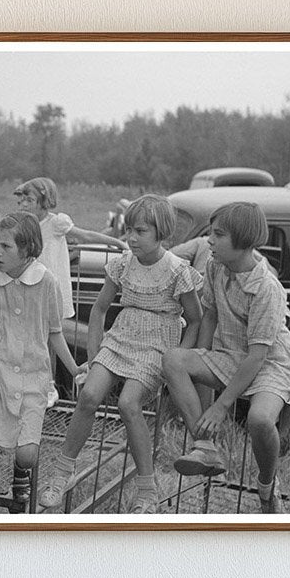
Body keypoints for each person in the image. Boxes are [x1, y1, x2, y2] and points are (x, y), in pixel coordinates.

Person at [39, 195, 204, 514]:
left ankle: (147, 489)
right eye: (129, 230)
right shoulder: (122, 263)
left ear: (162, 232)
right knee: (88, 395)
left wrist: (178, 362)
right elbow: (100, 310)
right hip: (122, 335)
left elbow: (195, 318)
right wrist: (96, 354)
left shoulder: (176, 270)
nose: (131, 237)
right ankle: (63, 472)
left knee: (129, 404)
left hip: (158, 340)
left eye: (140, 231)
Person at [163, 201, 290, 514]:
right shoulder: (214, 267)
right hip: (229, 354)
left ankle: (267, 484)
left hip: (268, 364)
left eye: (218, 235)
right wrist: (201, 357)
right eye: (210, 233)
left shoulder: (268, 288)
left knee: (260, 419)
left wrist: (220, 405)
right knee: (174, 359)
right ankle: (206, 448)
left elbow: (257, 356)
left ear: (243, 240)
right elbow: (210, 315)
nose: (209, 241)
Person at [0, 212, 81, 512]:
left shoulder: (46, 280)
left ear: (27, 250)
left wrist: (74, 369)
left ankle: (20, 471)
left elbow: (54, 332)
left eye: (5, 247)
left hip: (31, 376)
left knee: (27, 455)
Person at [13, 177, 125, 320]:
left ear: (43, 202)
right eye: (22, 201)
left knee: (49, 321)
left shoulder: (55, 223)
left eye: (29, 200)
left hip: (48, 282)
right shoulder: (24, 224)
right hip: (28, 280)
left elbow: (86, 236)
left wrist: (118, 243)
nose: (24, 205)